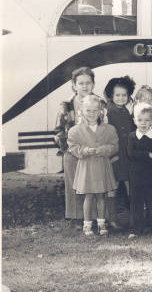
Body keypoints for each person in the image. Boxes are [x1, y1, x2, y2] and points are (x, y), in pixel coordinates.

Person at [54, 66, 107, 222]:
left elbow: (105, 128)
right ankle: (77, 218)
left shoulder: (101, 103)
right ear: (74, 85)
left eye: (88, 83)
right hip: (73, 153)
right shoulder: (66, 105)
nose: (85, 86)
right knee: (75, 186)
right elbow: (58, 131)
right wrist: (71, 149)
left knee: (96, 186)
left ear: (93, 84)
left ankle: (98, 218)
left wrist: (97, 148)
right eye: (81, 83)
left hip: (94, 153)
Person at [67, 95, 118, 236]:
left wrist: (104, 150)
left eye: (95, 110)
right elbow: (72, 147)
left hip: (102, 166)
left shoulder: (109, 129)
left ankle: (102, 224)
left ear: (101, 111)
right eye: (88, 110)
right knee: (88, 196)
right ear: (82, 111)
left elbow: (114, 146)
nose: (91, 113)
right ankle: (87, 225)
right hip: (86, 168)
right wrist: (84, 150)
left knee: (102, 196)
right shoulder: (75, 130)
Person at [127, 103, 152, 238]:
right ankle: (135, 229)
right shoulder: (132, 136)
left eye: (147, 120)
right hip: (136, 176)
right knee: (136, 203)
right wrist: (148, 154)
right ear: (134, 121)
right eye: (140, 120)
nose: (143, 123)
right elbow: (131, 153)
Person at [104, 75, 136, 229]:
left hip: (128, 155)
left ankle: (133, 218)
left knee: (131, 184)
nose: (121, 98)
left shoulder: (127, 111)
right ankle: (111, 219)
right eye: (117, 95)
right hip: (116, 156)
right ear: (111, 95)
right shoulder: (108, 112)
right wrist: (111, 155)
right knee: (113, 186)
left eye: (124, 95)